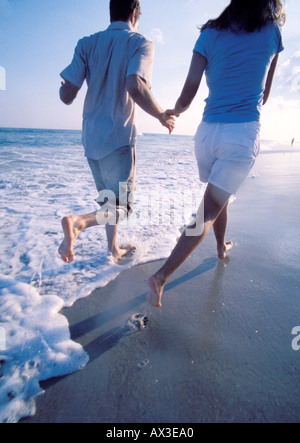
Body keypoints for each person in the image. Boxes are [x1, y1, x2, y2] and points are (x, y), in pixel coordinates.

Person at [147, 0, 285, 308]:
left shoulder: (209, 34)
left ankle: (221, 247)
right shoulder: (273, 33)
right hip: (241, 135)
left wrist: (173, 112)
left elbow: (189, 92)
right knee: (207, 211)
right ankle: (161, 276)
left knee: (217, 197)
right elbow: (266, 92)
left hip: (207, 134)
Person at [58, 0, 175, 264]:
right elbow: (135, 85)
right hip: (119, 137)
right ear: (134, 13)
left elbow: (67, 95)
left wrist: (62, 84)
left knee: (108, 202)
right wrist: (161, 116)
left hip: (91, 138)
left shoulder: (86, 43)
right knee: (122, 208)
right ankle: (78, 223)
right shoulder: (140, 43)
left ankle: (112, 249)